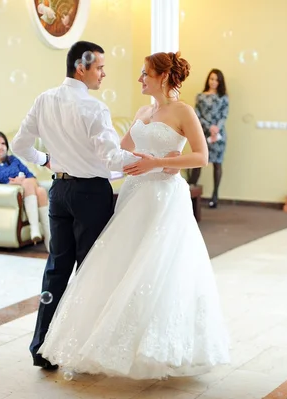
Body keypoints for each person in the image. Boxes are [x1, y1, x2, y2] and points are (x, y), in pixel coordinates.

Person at [38, 51, 230, 380]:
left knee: (156, 269)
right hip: (133, 194)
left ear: (164, 77)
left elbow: (201, 155)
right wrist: (78, 167)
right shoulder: (143, 111)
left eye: (145, 74)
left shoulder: (183, 111)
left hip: (163, 198)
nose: (140, 79)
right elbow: (118, 154)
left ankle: (156, 348)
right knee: (123, 267)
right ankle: (113, 343)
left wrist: (157, 163)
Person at [12, 41, 169, 370]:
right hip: (90, 195)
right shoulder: (94, 109)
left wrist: (46, 160)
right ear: (80, 67)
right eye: (99, 67)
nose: (103, 73)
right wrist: (148, 160)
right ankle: (80, 349)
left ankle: (41, 347)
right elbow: (111, 158)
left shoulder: (44, 99)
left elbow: (19, 144)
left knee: (57, 267)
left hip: (59, 191)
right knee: (91, 269)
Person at [0, 131, 50, 250]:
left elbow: (31, 175)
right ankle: (44, 237)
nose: (1, 147)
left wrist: (21, 181)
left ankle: (46, 237)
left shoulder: (13, 159)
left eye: (3, 143)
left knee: (39, 190)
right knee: (35, 188)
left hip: (28, 191)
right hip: (12, 195)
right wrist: (12, 184)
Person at [187, 69, 229, 208]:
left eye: (217, 80)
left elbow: (224, 115)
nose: (214, 82)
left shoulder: (224, 97)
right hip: (203, 133)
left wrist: (216, 128)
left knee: (217, 164)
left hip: (219, 136)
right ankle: (190, 193)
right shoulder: (200, 96)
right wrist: (209, 127)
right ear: (208, 80)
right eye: (212, 79)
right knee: (198, 162)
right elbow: (197, 115)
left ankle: (215, 195)